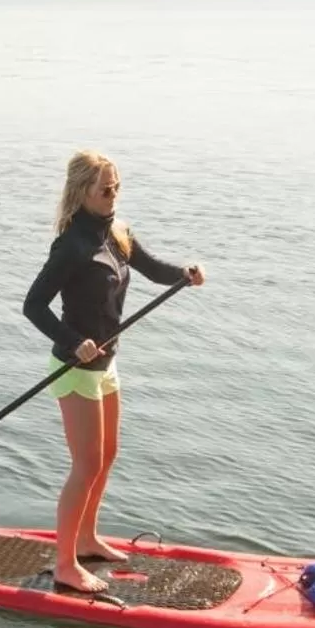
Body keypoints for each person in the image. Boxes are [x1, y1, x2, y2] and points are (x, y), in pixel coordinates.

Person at [23, 151, 205, 594]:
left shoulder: (119, 233)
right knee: (85, 465)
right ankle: (66, 564)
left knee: (106, 457)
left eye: (117, 187)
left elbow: (152, 267)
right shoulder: (72, 245)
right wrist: (72, 341)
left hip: (106, 364)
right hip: (75, 368)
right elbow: (33, 305)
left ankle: (86, 539)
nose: (114, 195)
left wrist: (185, 273)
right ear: (83, 192)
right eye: (105, 189)